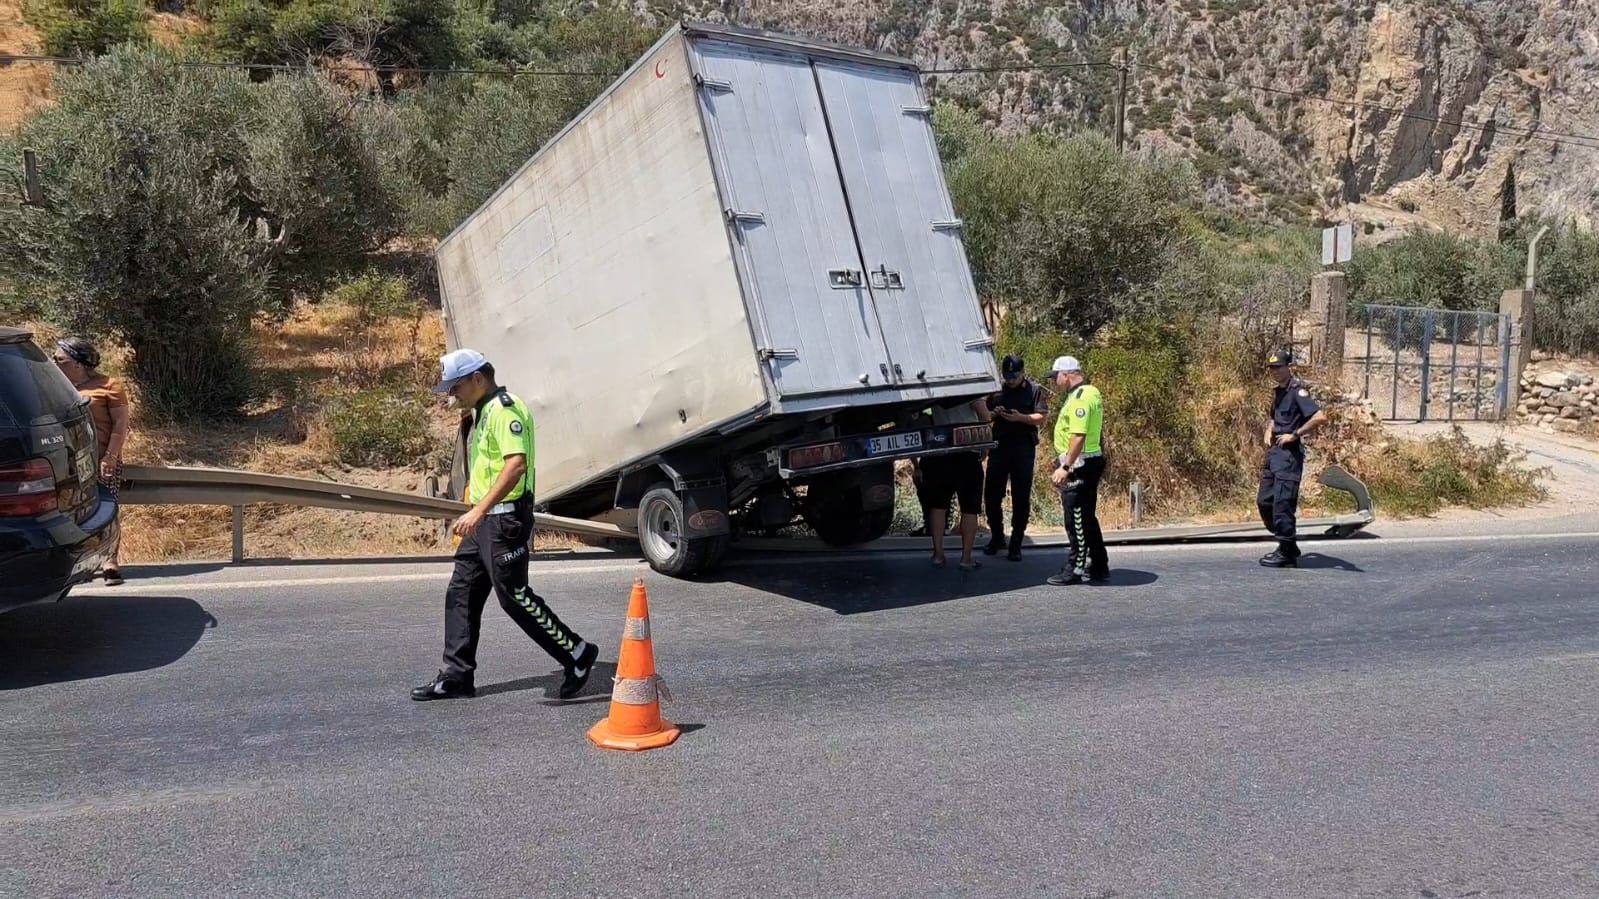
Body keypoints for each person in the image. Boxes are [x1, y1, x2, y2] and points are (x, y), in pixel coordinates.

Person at [412, 349, 599, 701]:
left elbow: (515, 466)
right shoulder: (481, 412)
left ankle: (576, 653)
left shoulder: (506, 409)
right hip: (483, 521)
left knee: (514, 597)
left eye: (456, 387)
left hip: (503, 520)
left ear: (478, 379)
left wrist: (478, 511)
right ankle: (456, 675)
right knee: (461, 592)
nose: (452, 394)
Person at [54, 338, 130, 586]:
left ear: (78, 363)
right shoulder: (56, 387)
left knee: (107, 508)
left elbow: (120, 425)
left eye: (60, 359)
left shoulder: (110, 386)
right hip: (69, 462)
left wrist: (110, 456)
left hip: (101, 460)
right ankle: (81, 561)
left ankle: (110, 561)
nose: (55, 362)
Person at [1258, 349, 1328, 568]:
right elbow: (1275, 417)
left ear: (1288, 367)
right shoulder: (1278, 392)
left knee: (1282, 504)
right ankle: (1286, 542)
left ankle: (1287, 550)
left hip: (1289, 455)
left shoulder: (1298, 391)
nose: (1275, 372)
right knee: (1264, 501)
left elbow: (1320, 416)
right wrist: (1269, 429)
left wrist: (1295, 434)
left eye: (1279, 367)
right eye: (1272, 368)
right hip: (1274, 453)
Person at [1045, 356, 1109, 586]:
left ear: (1067, 374)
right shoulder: (1089, 392)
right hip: (1087, 461)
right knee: (1087, 517)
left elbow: (1078, 435)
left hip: (1080, 464)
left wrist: (1065, 466)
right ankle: (1100, 564)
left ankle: (1076, 567)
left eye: (1055, 377)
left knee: (1076, 519)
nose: (1054, 382)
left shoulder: (1081, 398)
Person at [983, 354, 1048, 561]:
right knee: (992, 495)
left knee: (1021, 497)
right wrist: (995, 414)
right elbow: (985, 413)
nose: (1010, 379)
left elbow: (1041, 417)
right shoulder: (996, 391)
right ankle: (997, 537)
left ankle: (1016, 544)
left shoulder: (1034, 390)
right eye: (1007, 375)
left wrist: (1020, 417)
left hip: (1023, 449)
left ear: (1023, 373)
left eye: (1014, 375)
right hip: (999, 448)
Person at [916, 398, 992, 570]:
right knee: (969, 508)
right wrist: (985, 444)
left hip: (941, 450)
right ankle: (966, 558)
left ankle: (938, 554)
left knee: (938, 506)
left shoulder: (936, 391)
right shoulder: (972, 390)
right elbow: (985, 415)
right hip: (967, 452)